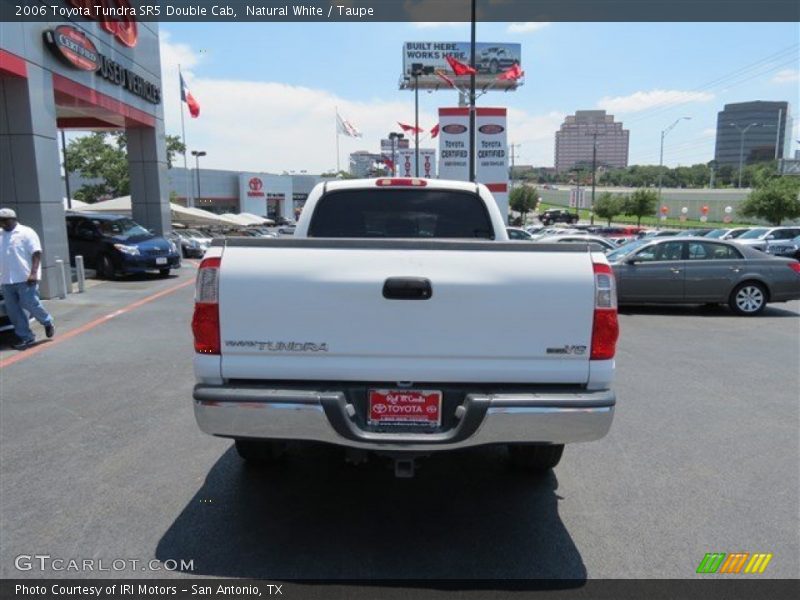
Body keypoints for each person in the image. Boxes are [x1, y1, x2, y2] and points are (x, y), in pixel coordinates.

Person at [0, 208, 55, 350]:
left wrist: (33, 273)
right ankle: (27, 338)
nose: (2, 224)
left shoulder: (26, 232)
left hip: (25, 277)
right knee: (13, 311)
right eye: (1, 221)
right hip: (6, 279)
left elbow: (36, 253)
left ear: (12, 219)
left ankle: (47, 321)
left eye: (4, 221)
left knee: (29, 303)